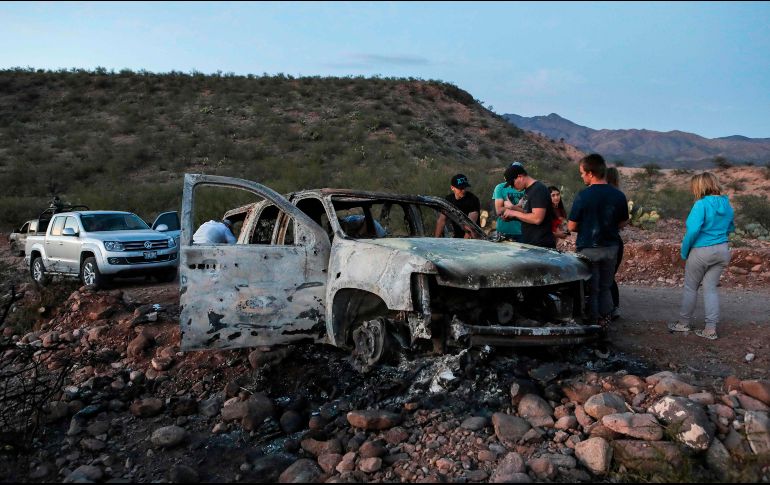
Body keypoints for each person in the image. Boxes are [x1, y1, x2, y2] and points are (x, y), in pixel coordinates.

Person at [668, 172, 734, 340]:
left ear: (699, 186)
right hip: (723, 249)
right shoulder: (727, 203)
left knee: (691, 287)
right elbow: (730, 228)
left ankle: (683, 323)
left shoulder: (701, 204)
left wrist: (684, 252)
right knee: (710, 289)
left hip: (702, 251)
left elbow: (693, 230)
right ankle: (710, 329)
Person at [567, 154, 629, 328]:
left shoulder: (583, 195)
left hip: (588, 248)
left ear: (590, 173)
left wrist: (586, 226)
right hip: (610, 247)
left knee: (591, 289)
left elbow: (571, 226)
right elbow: (623, 221)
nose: (581, 176)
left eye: (582, 173)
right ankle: (605, 323)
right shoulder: (618, 195)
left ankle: (593, 324)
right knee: (605, 286)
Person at [500, 163, 556, 248]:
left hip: (540, 244)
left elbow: (537, 218)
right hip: (530, 242)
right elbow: (527, 213)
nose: (512, 187)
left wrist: (513, 213)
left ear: (520, 177)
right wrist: (512, 217)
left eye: (512, 183)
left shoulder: (538, 189)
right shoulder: (528, 190)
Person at [434, 174, 481, 238]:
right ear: (452, 188)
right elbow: (441, 221)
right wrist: (436, 239)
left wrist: (464, 242)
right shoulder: (449, 199)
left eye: (464, 188)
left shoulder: (473, 200)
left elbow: (470, 226)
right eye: (461, 188)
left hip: (473, 238)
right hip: (457, 237)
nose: (463, 191)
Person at [605, 167, 624, 320]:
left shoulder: (600, 195)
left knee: (603, 277)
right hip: (615, 240)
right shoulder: (619, 195)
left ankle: (604, 310)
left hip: (603, 241)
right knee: (610, 276)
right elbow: (624, 220)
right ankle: (614, 307)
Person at [493, 162, 526, 241]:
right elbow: (499, 210)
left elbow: (528, 212)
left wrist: (511, 207)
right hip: (503, 230)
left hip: (522, 231)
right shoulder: (501, 187)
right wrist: (518, 207)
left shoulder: (527, 188)